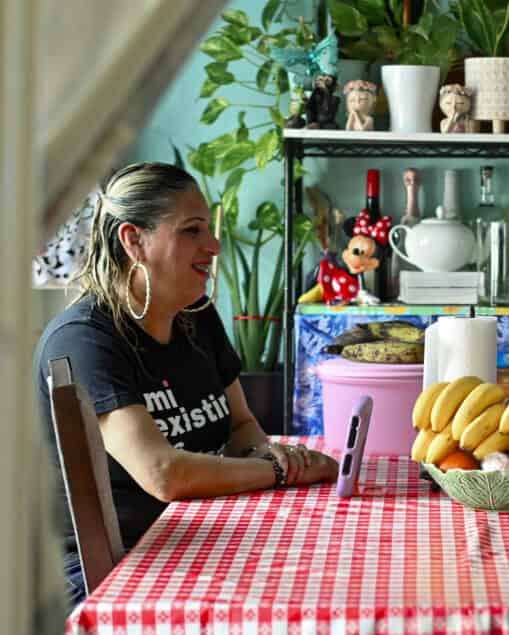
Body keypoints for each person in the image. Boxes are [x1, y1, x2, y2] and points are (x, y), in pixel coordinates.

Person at [34, 163, 339, 608]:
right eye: (192, 231)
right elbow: (163, 474)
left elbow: (241, 425)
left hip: (195, 536)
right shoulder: (84, 340)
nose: (213, 246)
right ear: (133, 241)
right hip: (114, 569)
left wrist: (263, 451)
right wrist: (281, 470)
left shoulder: (195, 316)